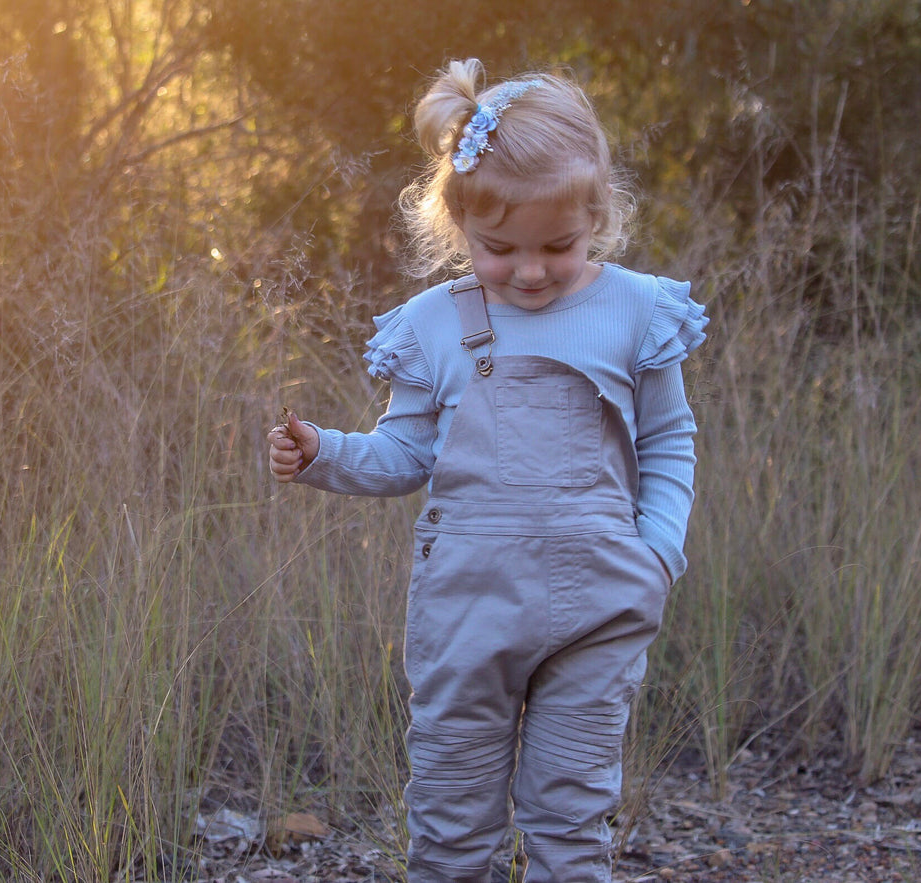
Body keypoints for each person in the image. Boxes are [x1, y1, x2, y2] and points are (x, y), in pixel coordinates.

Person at [267, 58, 707, 883]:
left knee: (569, 814)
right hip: (467, 609)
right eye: (499, 248)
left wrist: (657, 552)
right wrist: (324, 452)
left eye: (559, 245)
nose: (531, 270)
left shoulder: (638, 310)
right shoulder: (431, 326)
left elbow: (669, 438)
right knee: (451, 818)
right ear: (457, 221)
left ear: (597, 214)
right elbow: (405, 453)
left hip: (601, 602)